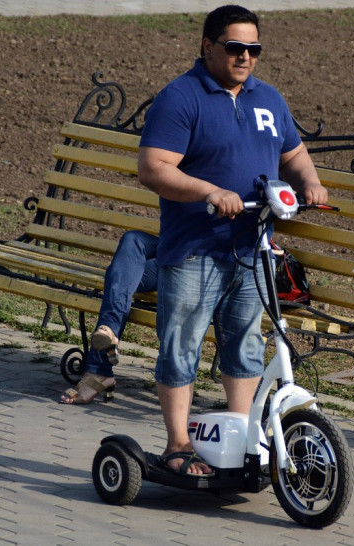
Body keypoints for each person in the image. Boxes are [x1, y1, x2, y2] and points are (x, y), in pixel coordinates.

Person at [137, 4, 327, 477]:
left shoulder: (268, 98)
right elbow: (153, 168)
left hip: (252, 247)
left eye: (253, 48)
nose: (245, 56)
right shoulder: (181, 97)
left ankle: (242, 440)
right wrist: (209, 191)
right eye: (235, 47)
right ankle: (178, 446)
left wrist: (309, 182)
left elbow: (294, 154)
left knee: (244, 343)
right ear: (208, 46)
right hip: (195, 248)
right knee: (181, 346)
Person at [60, 230, 158, 404]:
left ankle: (99, 366)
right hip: (172, 246)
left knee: (119, 272)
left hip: (195, 262)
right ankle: (108, 335)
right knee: (132, 240)